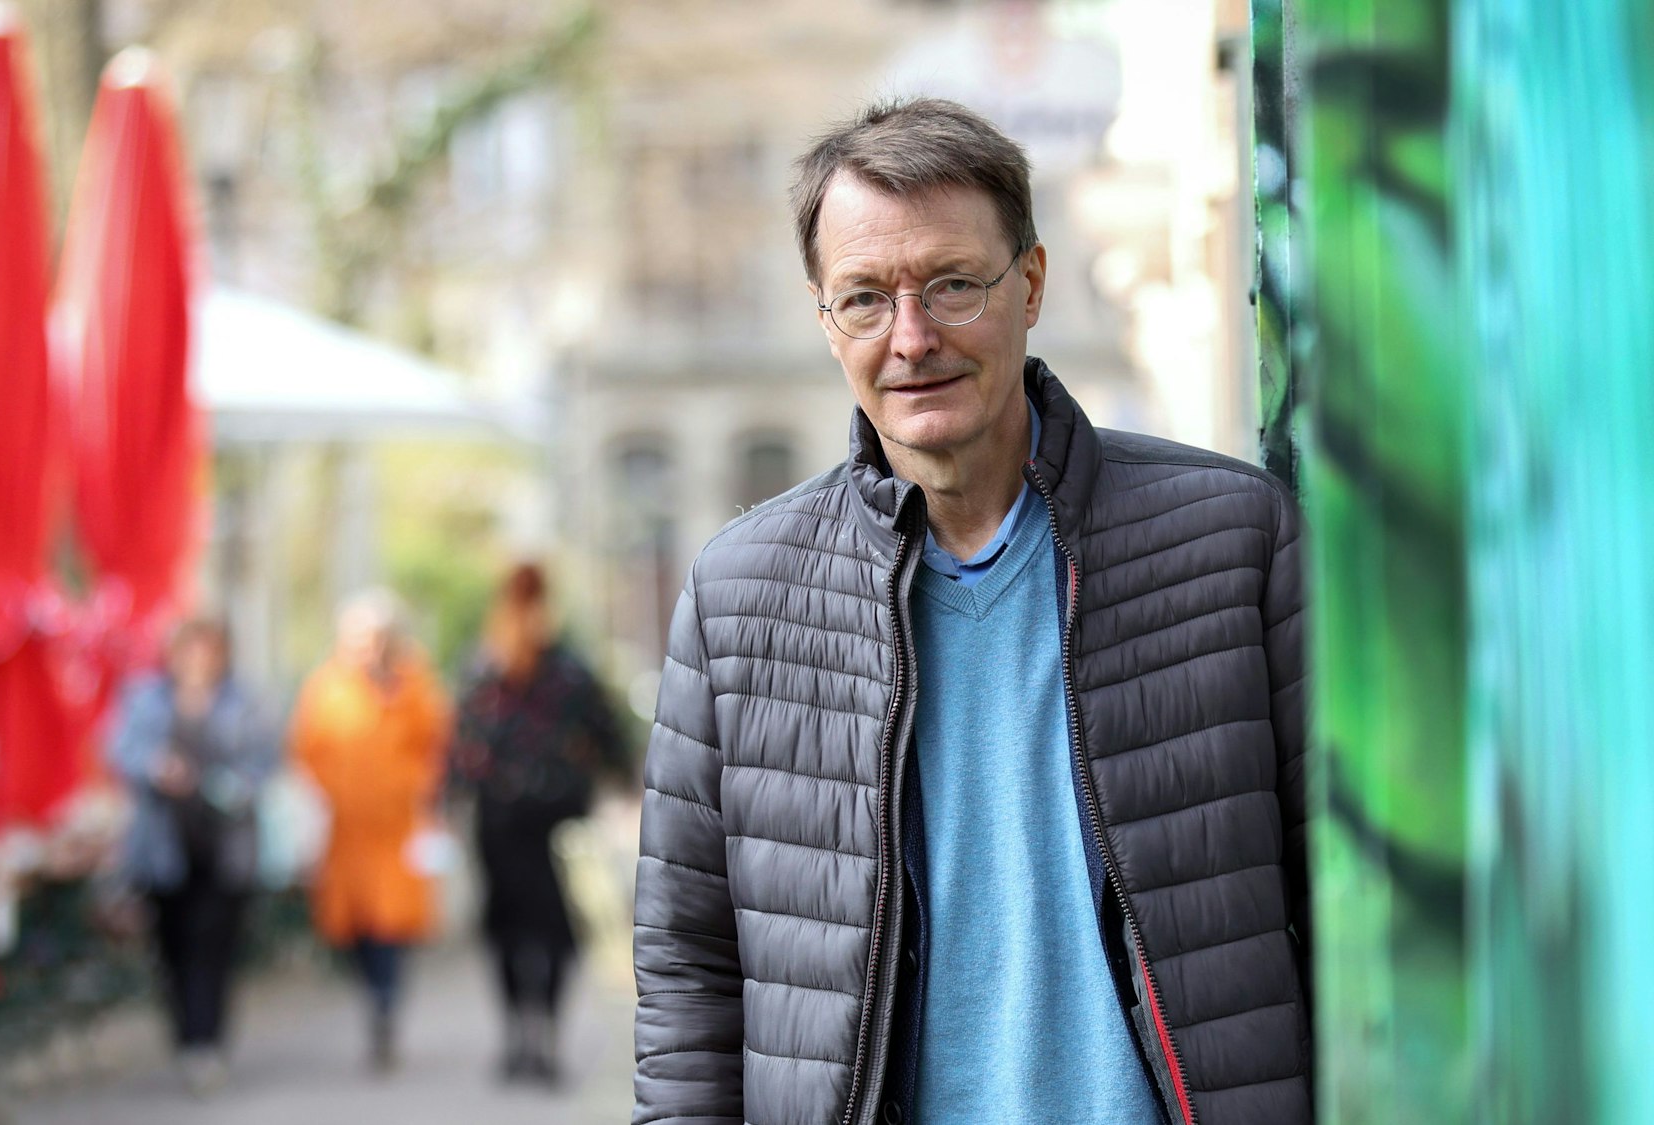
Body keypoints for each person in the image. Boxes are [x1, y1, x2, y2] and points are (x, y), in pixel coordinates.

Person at [632, 99, 1310, 1125]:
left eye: (952, 284)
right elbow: (688, 963)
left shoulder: (1231, 541)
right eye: (865, 298)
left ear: (1029, 283)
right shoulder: (740, 596)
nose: (911, 338)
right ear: (824, 319)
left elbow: (1352, 908)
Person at [451, 563, 629, 1087]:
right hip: (541, 816)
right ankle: (536, 1032)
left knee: (519, 928)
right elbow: (608, 735)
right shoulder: (552, 668)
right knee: (543, 929)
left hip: (515, 817)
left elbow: (461, 748)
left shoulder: (494, 666)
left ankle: (525, 1034)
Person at [108, 618, 281, 1096]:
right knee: (172, 949)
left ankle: (207, 1042)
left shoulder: (244, 700)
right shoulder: (147, 698)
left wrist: (228, 787)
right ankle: (187, 1036)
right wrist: (156, 769)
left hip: (224, 847)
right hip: (165, 847)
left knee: (215, 946)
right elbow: (121, 750)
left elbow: (265, 760)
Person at [288, 590, 451, 1073]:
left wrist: (416, 788)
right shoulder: (326, 688)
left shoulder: (415, 685)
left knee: (391, 927)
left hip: (398, 827)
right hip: (346, 830)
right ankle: (375, 995)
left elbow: (436, 746)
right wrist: (327, 792)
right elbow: (306, 749)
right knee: (353, 927)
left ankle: (385, 1005)